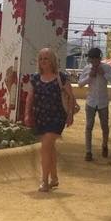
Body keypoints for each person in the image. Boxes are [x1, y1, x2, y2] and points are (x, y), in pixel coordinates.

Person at [24, 46, 76, 192]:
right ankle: (54, 178)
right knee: (50, 148)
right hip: (40, 117)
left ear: (52, 60)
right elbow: (30, 98)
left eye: (46, 58)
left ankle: (44, 181)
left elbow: (71, 97)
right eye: (41, 59)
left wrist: (70, 114)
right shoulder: (35, 78)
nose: (43, 61)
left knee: (45, 146)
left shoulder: (61, 77)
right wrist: (27, 114)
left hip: (57, 118)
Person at [77, 46, 111, 161]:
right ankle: (88, 151)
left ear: (99, 58)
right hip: (91, 101)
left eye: (95, 59)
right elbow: (80, 84)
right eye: (91, 60)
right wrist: (89, 77)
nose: (94, 62)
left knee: (105, 126)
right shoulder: (87, 68)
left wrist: (103, 74)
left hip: (103, 102)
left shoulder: (106, 67)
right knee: (88, 126)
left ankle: (104, 145)